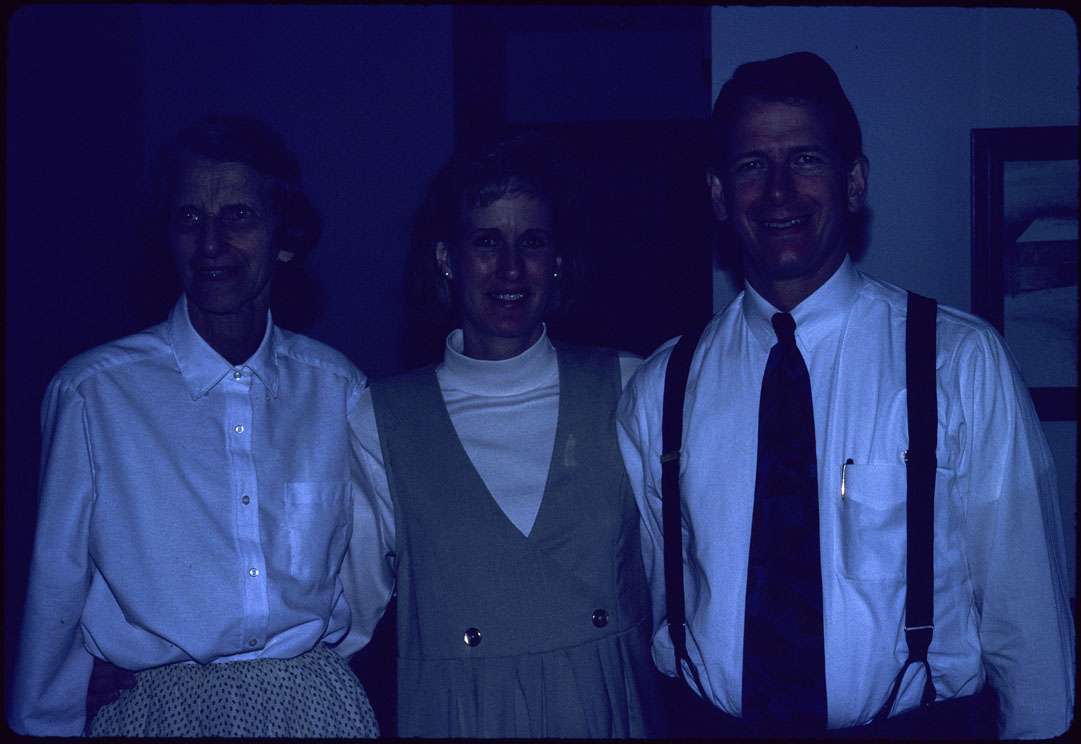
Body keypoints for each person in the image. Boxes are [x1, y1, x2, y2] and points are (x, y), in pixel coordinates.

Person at [617, 51, 1074, 739]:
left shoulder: (959, 361)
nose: (778, 192)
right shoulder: (660, 388)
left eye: (805, 159)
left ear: (854, 181)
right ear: (716, 193)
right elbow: (648, 606)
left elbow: (1027, 624)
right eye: (751, 165)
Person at [7, 115, 380, 738]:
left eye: (238, 216)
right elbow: (56, 574)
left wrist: (319, 659)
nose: (210, 244)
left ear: (283, 238)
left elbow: (365, 567)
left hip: (309, 702)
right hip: (158, 707)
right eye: (189, 218)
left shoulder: (336, 390)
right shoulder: (95, 393)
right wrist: (60, 695)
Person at [336, 132, 661, 738]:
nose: (511, 268)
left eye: (532, 241)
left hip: (608, 710)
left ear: (558, 258)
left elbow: (670, 585)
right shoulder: (380, 419)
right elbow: (344, 619)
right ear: (446, 258)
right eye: (486, 241)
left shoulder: (627, 385)